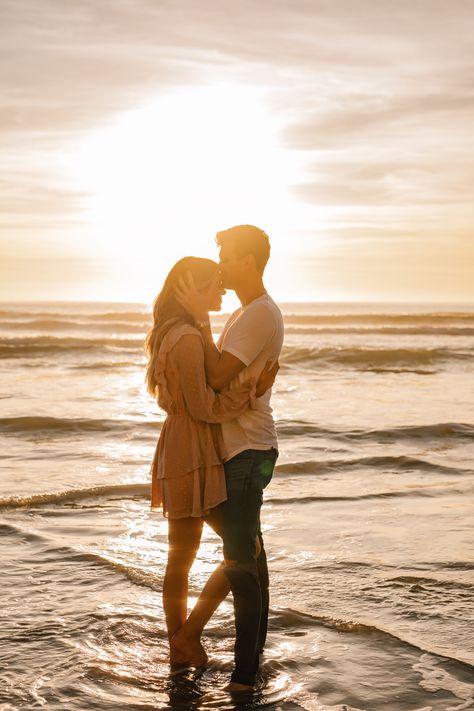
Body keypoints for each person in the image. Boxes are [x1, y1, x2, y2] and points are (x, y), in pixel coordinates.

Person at [145, 256, 278, 670]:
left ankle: (180, 647)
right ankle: (185, 639)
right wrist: (252, 392)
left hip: (184, 448)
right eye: (214, 285)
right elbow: (204, 406)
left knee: (182, 558)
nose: (222, 290)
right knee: (240, 551)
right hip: (191, 452)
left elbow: (200, 384)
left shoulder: (181, 331)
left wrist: (202, 320)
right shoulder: (184, 337)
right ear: (194, 289)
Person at [174, 225, 284, 691]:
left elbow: (217, 377)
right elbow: (226, 374)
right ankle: (252, 658)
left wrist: (196, 315)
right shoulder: (248, 312)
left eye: (225, 255)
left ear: (249, 261)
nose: (219, 263)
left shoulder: (258, 314)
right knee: (250, 555)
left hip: (248, 450)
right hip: (245, 447)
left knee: (241, 559)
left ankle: (243, 677)